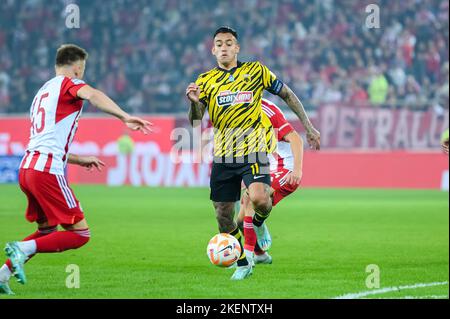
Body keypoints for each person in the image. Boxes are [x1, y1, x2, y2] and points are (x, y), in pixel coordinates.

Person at [0, 44, 151, 295]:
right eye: (84, 68)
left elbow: (46, 139)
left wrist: (79, 160)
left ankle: (3, 274)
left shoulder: (42, 92)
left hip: (27, 167)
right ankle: (20, 248)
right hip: (46, 170)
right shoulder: (68, 83)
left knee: (47, 230)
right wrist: (124, 116)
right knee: (81, 234)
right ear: (78, 66)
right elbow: (93, 94)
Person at [186, 26, 320, 280]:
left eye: (229, 43)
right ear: (213, 50)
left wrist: (309, 126)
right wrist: (194, 104)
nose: (224, 47)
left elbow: (288, 94)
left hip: (254, 151)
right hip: (224, 155)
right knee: (223, 216)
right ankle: (242, 261)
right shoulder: (204, 81)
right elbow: (195, 121)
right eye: (219, 44)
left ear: (237, 48)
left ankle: (257, 224)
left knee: (259, 199)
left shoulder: (255, 71)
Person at [236, 99, 303, 265]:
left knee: (249, 199)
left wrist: (297, 170)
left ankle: (248, 258)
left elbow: (296, 139)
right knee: (239, 222)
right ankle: (261, 255)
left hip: (284, 167)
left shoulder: (268, 110)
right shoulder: (234, 112)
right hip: (264, 167)